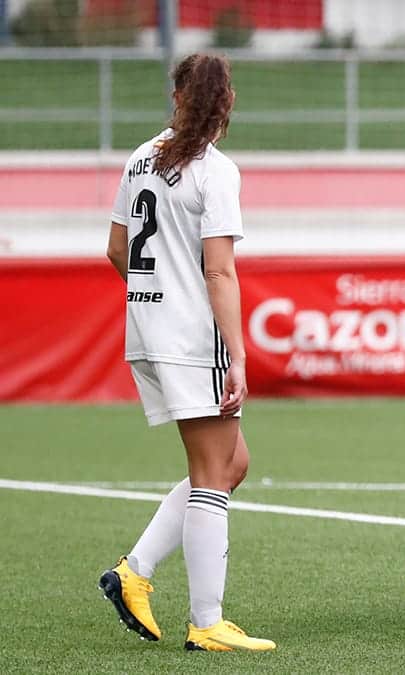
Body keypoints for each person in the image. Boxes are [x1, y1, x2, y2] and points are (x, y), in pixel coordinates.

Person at [98, 53, 274, 652]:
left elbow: (116, 250)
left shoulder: (141, 156)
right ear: (227, 103)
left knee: (232, 464)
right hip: (193, 338)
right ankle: (206, 620)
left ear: (177, 97)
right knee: (211, 473)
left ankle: (134, 572)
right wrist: (238, 354)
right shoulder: (215, 169)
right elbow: (220, 272)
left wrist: (155, 297)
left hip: (148, 330)